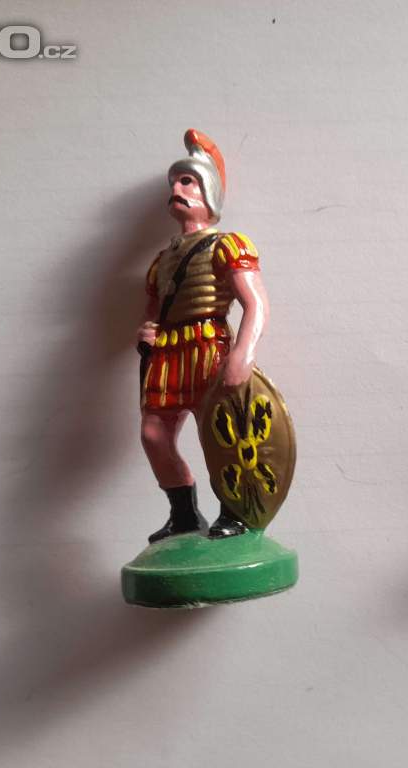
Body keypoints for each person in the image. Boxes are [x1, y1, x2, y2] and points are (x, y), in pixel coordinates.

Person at [137, 129, 268, 540]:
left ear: (208, 190)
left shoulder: (227, 245)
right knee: (153, 434)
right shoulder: (161, 260)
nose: (176, 190)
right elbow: (154, 309)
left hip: (208, 345)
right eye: (174, 183)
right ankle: (184, 513)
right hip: (168, 353)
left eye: (187, 181)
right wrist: (147, 330)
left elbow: (256, 304)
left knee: (219, 434)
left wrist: (242, 353)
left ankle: (233, 510)